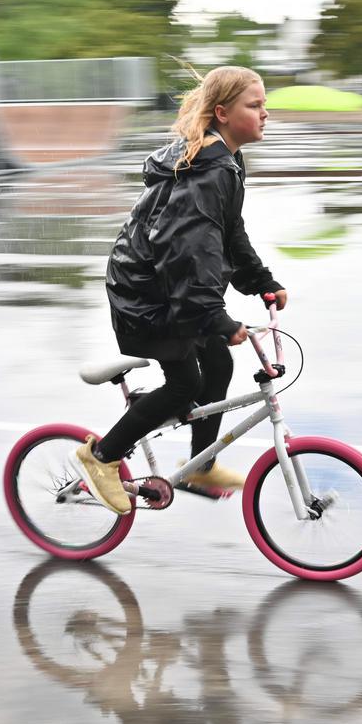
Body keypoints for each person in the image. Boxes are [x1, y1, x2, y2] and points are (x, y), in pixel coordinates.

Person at [69, 66, 286, 515]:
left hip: (166, 289)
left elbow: (227, 233)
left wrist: (261, 281)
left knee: (219, 363)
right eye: (255, 105)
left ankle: (199, 467)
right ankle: (101, 457)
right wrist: (213, 316)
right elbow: (187, 249)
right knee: (187, 380)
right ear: (223, 113)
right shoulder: (209, 170)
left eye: (265, 104)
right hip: (146, 296)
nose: (266, 113)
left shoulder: (224, 160)